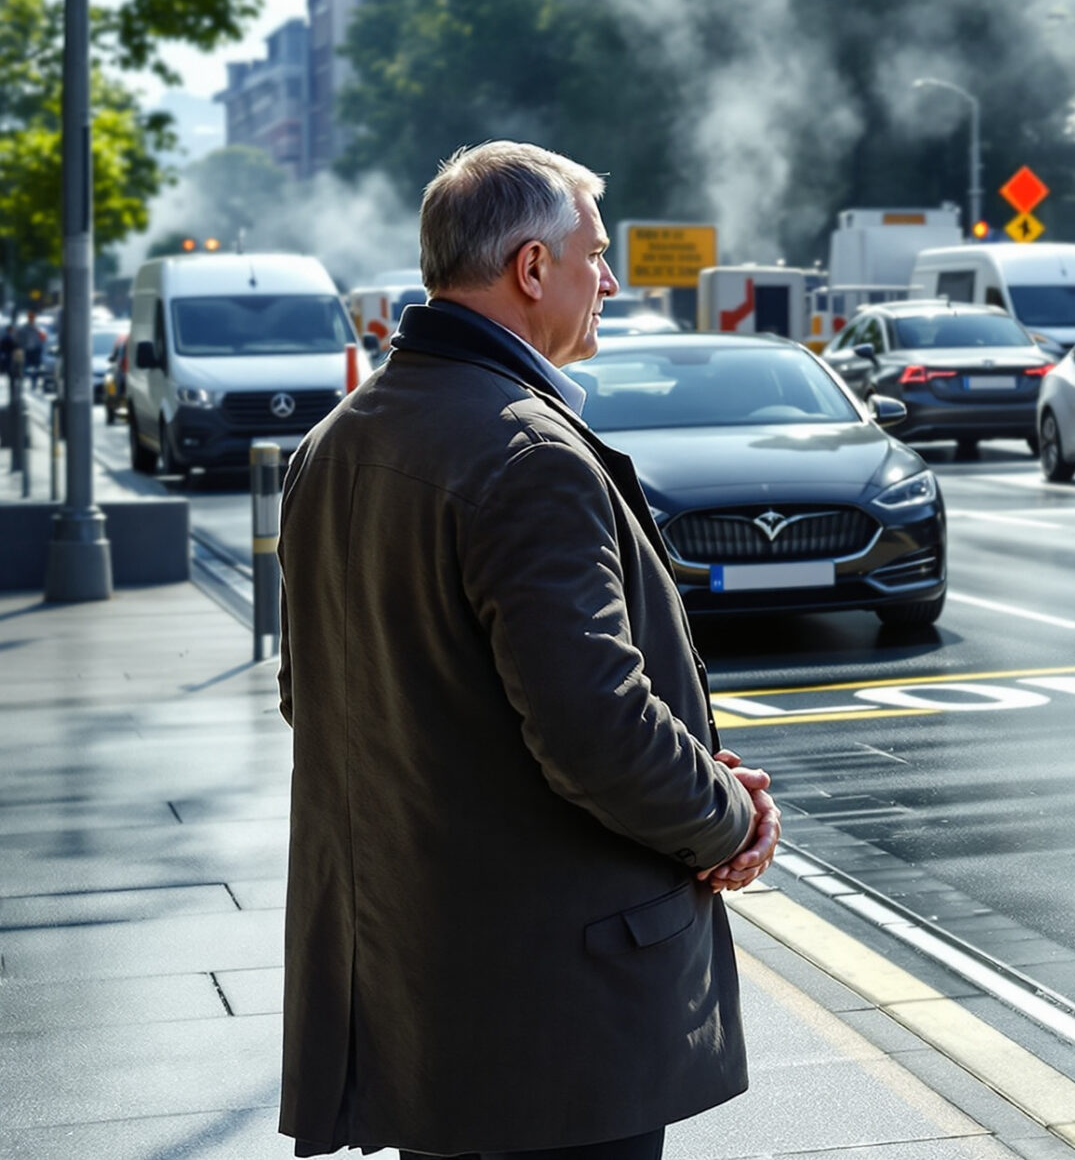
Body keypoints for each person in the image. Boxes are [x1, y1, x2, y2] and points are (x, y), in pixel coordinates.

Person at [275, 141, 780, 1160]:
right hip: (556, 1015)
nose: (611, 280)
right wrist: (728, 816)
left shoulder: (334, 443)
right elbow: (598, 729)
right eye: (596, 254)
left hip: (415, 997)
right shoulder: (527, 453)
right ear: (533, 267)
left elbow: (316, 697)